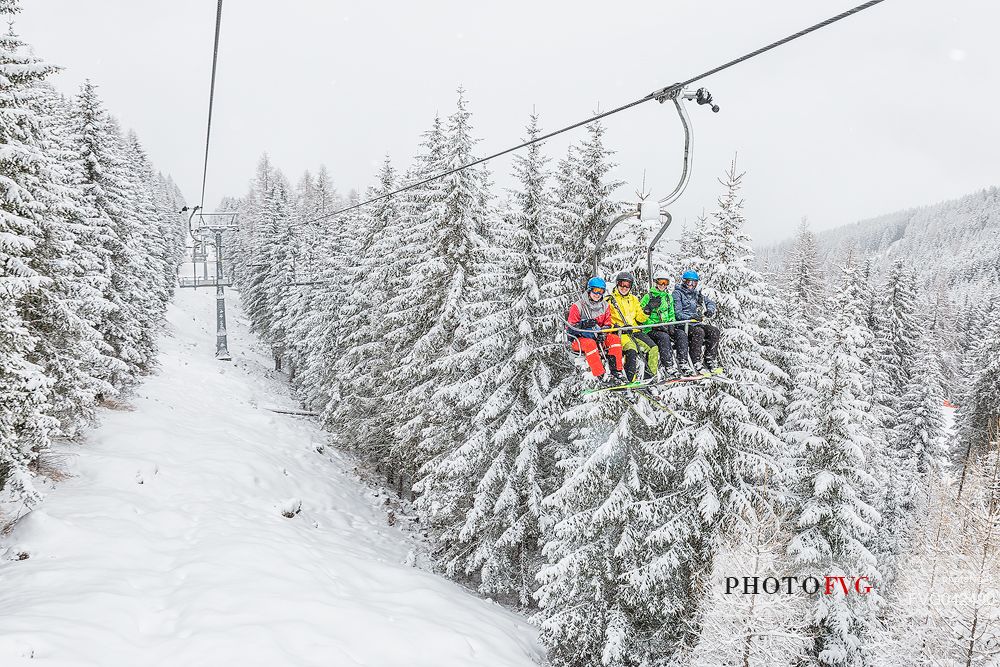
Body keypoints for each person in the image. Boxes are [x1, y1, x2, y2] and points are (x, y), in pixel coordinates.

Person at [567, 276, 624, 381]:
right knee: (590, 344)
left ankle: (616, 371)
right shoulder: (578, 306)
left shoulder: (605, 306)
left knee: (614, 339)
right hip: (579, 340)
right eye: (595, 291)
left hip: (598, 336)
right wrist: (582, 325)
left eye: (601, 291)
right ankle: (601, 375)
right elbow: (570, 329)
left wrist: (603, 333)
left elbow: (607, 323)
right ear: (589, 290)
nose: (598, 295)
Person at [607, 271, 660, 382]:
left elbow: (640, 318)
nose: (624, 288)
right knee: (632, 350)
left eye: (628, 285)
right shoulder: (610, 300)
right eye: (622, 284)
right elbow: (606, 319)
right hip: (621, 333)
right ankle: (630, 379)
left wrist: (647, 310)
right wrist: (615, 326)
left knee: (653, 348)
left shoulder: (634, 299)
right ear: (617, 284)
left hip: (634, 330)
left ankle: (649, 376)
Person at [672, 269, 721, 373]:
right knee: (699, 332)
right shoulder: (677, 293)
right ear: (684, 282)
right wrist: (690, 317)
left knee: (714, 331)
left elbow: (710, 302)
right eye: (689, 282)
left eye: (694, 282)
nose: (691, 285)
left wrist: (710, 310)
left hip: (695, 323)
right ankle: (695, 360)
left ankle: (709, 359)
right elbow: (677, 313)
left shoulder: (696, 294)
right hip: (683, 324)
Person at [639, 270, 680, 378]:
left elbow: (671, 313)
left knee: (681, 335)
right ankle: (668, 366)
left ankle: (683, 362)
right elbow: (640, 315)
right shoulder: (648, 297)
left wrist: (671, 324)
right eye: (660, 282)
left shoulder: (668, 297)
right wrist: (654, 324)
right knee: (664, 337)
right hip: (651, 329)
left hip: (665, 327)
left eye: (665, 283)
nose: (663, 285)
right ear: (655, 282)